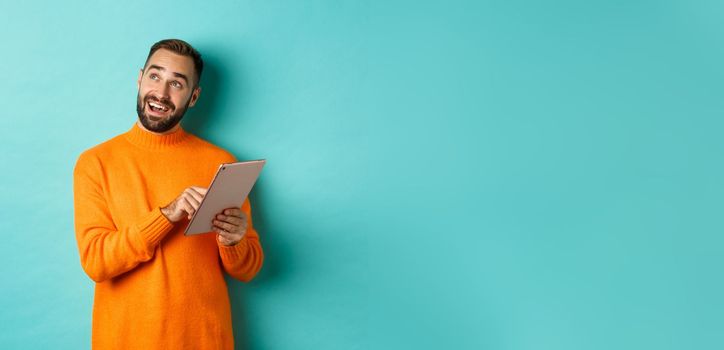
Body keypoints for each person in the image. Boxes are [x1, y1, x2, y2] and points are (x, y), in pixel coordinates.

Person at [72, 39, 264, 349]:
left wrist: (234, 240)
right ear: (140, 78)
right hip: (125, 340)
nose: (161, 93)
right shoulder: (95, 163)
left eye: (177, 83)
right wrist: (166, 216)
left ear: (193, 97)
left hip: (204, 340)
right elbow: (97, 263)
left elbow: (249, 269)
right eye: (155, 76)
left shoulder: (222, 163)